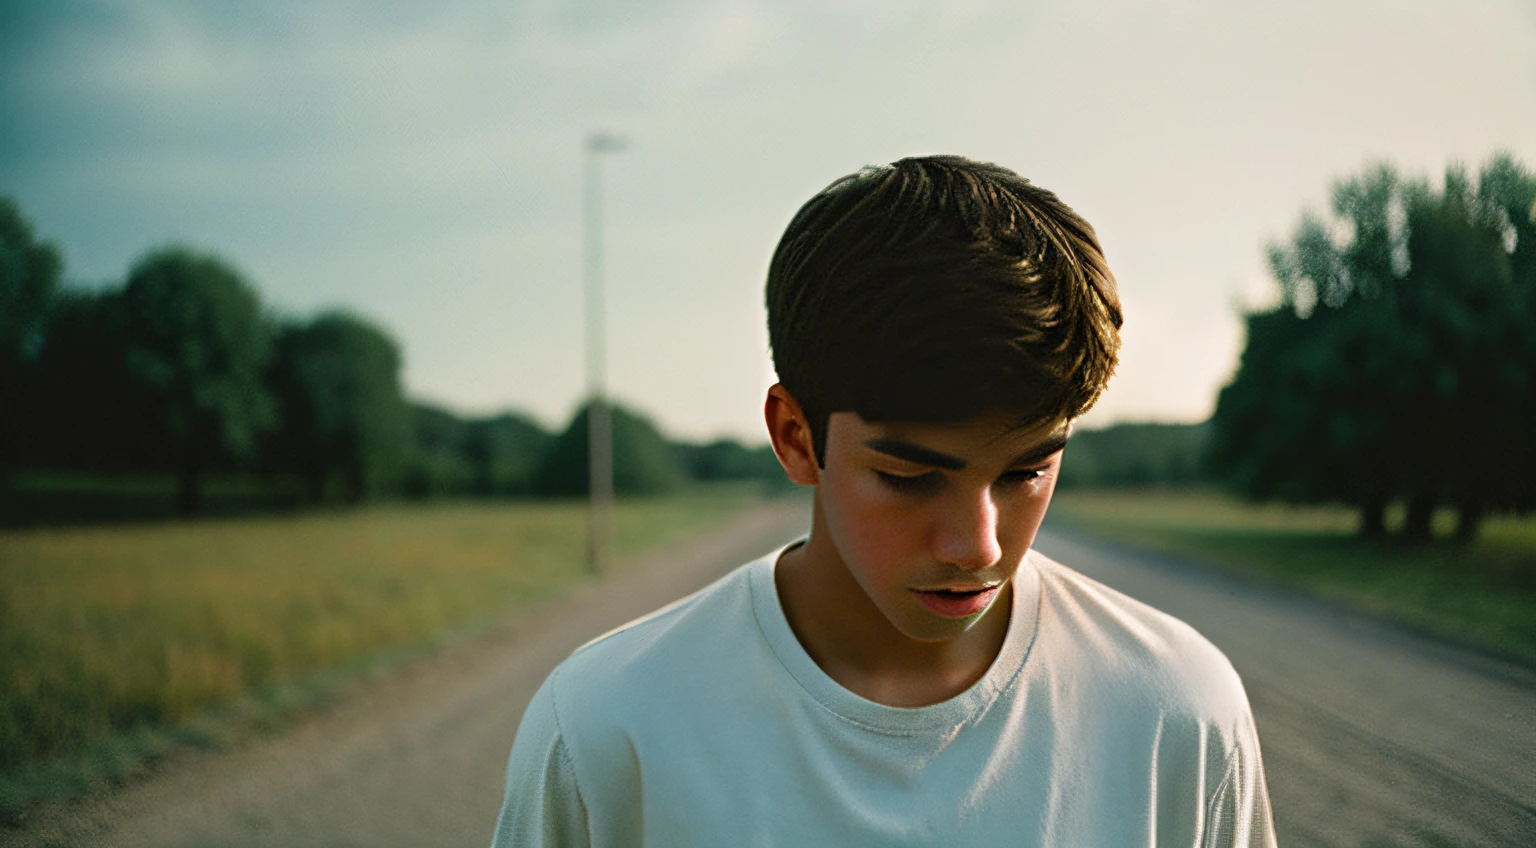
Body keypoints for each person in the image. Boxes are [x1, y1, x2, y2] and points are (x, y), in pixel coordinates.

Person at [491, 155, 1278, 846]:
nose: (979, 547)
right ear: (796, 437)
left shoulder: (1178, 714)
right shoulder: (604, 728)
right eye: (911, 477)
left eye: (1027, 472)